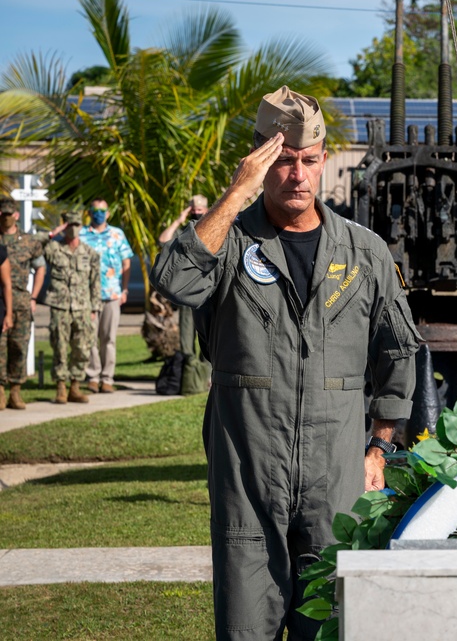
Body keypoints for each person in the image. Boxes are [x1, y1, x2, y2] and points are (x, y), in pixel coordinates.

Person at [151, 86, 419, 640]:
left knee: (332, 627)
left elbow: (399, 349)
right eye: (283, 162)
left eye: (309, 161)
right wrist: (236, 194)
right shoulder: (228, 244)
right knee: (247, 628)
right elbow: (174, 279)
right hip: (248, 479)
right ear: (260, 162)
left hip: (337, 480)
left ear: (323, 162)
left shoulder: (362, 251)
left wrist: (381, 446)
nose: (297, 175)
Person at [44, 211, 101, 404]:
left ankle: (75, 386)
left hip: (83, 307)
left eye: (77, 225)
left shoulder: (90, 253)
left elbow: (95, 282)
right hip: (60, 306)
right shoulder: (54, 249)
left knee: (82, 348)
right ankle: (61, 387)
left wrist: (95, 308)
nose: (74, 229)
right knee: (59, 346)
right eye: (70, 225)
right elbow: (36, 245)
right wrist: (54, 233)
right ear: (64, 226)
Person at [80, 199, 134, 393]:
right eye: (95, 210)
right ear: (89, 212)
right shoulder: (81, 234)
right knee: (90, 338)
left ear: (108, 213)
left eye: (102, 210)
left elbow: (126, 263)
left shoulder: (117, 234)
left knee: (108, 338)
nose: (99, 213)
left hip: (112, 294)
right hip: (87, 296)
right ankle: (93, 376)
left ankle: (107, 378)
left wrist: (124, 290)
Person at [158, 195, 212, 393]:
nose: (197, 213)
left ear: (207, 209)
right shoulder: (185, 231)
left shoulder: (213, 227)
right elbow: (163, 240)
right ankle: (191, 380)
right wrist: (179, 220)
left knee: (209, 338)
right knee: (187, 338)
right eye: (194, 210)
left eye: (201, 210)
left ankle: (207, 377)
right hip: (186, 294)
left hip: (208, 294)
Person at [0, 197, 46, 410]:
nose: (5, 218)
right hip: (1, 302)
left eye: (8, 214)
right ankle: (0, 390)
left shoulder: (28, 241)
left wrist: (34, 296)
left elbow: (40, 268)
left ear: (16, 215)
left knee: (19, 346)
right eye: (2, 214)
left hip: (21, 300)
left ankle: (15, 392)